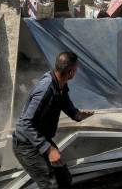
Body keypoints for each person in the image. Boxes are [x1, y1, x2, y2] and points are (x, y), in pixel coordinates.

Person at [12, 51, 93, 188]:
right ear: (71, 72)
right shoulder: (45, 89)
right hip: (26, 145)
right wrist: (49, 150)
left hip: (40, 139)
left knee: (64, 179)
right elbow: (25, 123)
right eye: (76, 69)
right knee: (51, 185)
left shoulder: (60, 85)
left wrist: (77, 115)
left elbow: (65, 104)